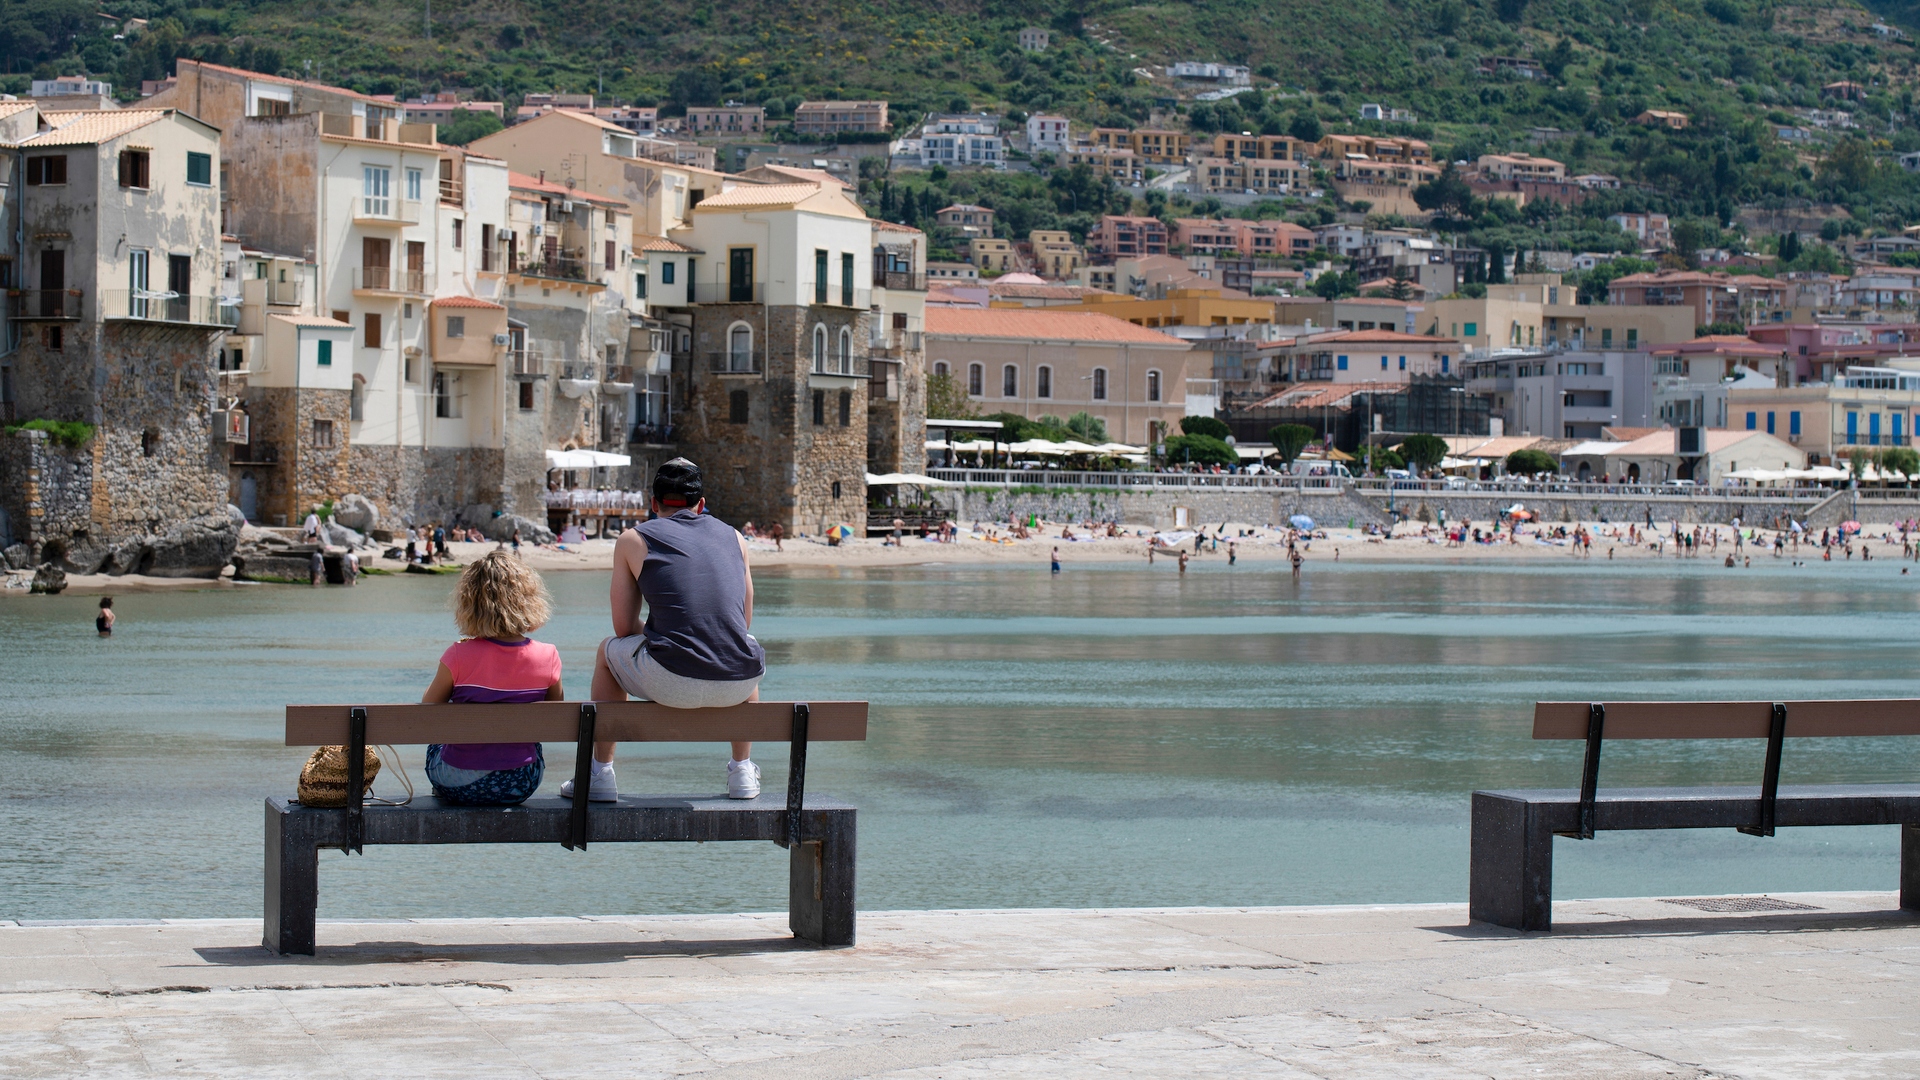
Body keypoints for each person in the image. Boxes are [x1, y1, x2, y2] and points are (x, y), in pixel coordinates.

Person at [572, 459, 767, 802]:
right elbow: (743, 621)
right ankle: (742, 771)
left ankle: (600, 774)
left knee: (606, 651)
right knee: (743, 644)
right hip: (738, 683)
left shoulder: (634, 539)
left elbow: (622, 627)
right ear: (701, 504)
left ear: (653, 503)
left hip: (669, 679)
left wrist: (661, 635)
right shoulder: (737, 539)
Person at [420, 552, 562, 805]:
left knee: (438, 741)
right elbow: (554, 718)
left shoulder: (457, 654)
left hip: (459, 782)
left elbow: (427, 713)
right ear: (528, 599)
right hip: (521, 782)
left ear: (470, 603)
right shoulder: (548, 655)